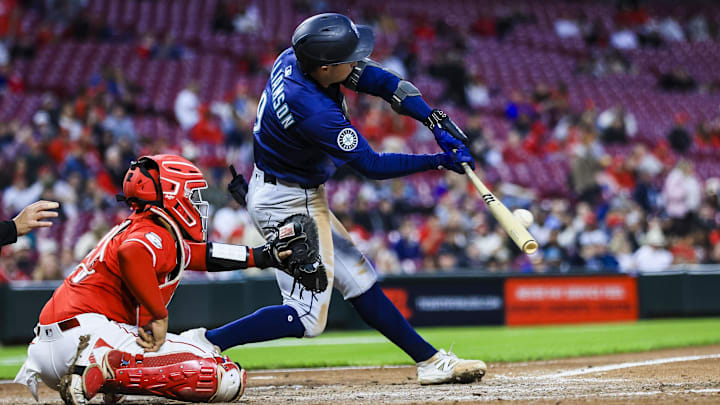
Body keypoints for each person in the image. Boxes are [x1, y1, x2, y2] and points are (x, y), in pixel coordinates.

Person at [196, 13, 486, 385]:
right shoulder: (314, 110)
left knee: (359, 279)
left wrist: (432, 120)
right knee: (305, 316)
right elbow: (371, 165)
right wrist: (438, 161)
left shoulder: (296, 58)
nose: (357, 62)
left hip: (286, 190)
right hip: (288, 202)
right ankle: (204, 342)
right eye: (349, 58)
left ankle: (429, 361)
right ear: (326, 66)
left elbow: (382, 82)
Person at [14, 154, 292, 405]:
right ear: (172, 195)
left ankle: (104, 374)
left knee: (195, 353)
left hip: (50, 346)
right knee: (223, 376)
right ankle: (104, 362)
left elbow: (203, 255)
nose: (196, 202)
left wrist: (263, 256)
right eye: (191, 194)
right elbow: (132, 253)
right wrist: (155, 315)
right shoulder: (152, 233)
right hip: (87, 336)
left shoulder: (144, 228)